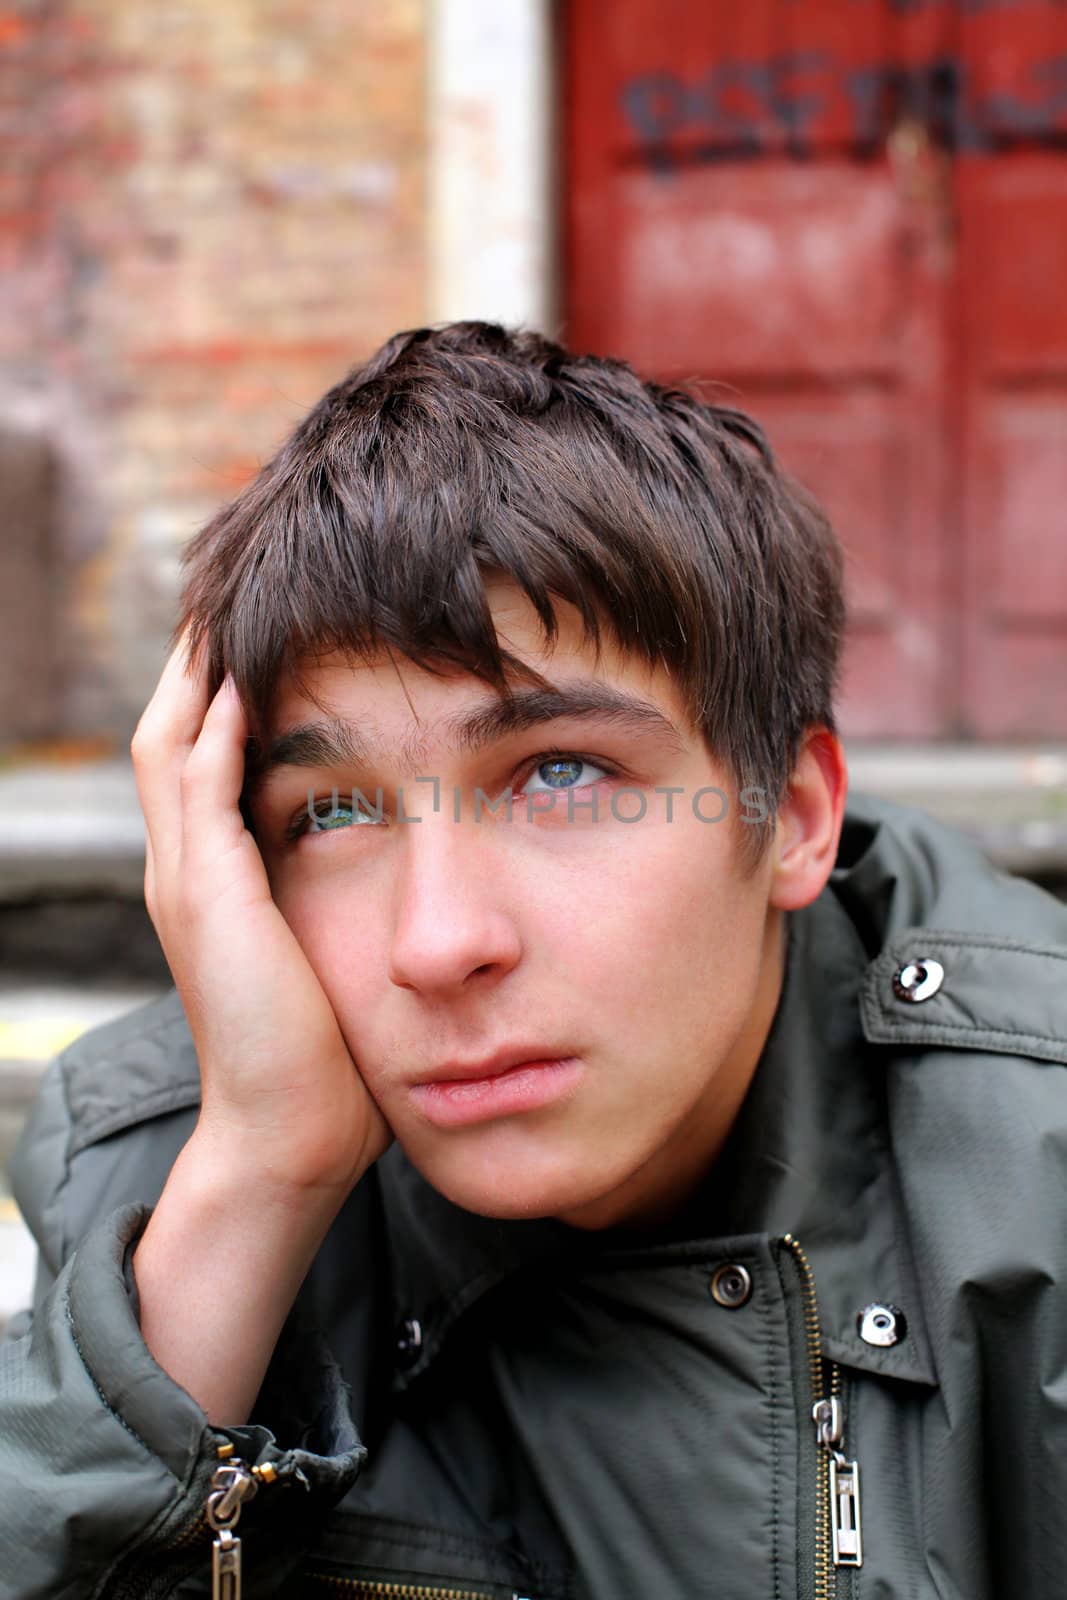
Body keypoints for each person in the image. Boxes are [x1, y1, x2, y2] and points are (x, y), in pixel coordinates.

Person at [3, 321, 1067, 1600]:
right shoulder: (166, 1178)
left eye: (559, 773)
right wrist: (255, 1182)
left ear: (787, 817)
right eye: (332, 812)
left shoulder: (1034, 1165)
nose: (439, 943)